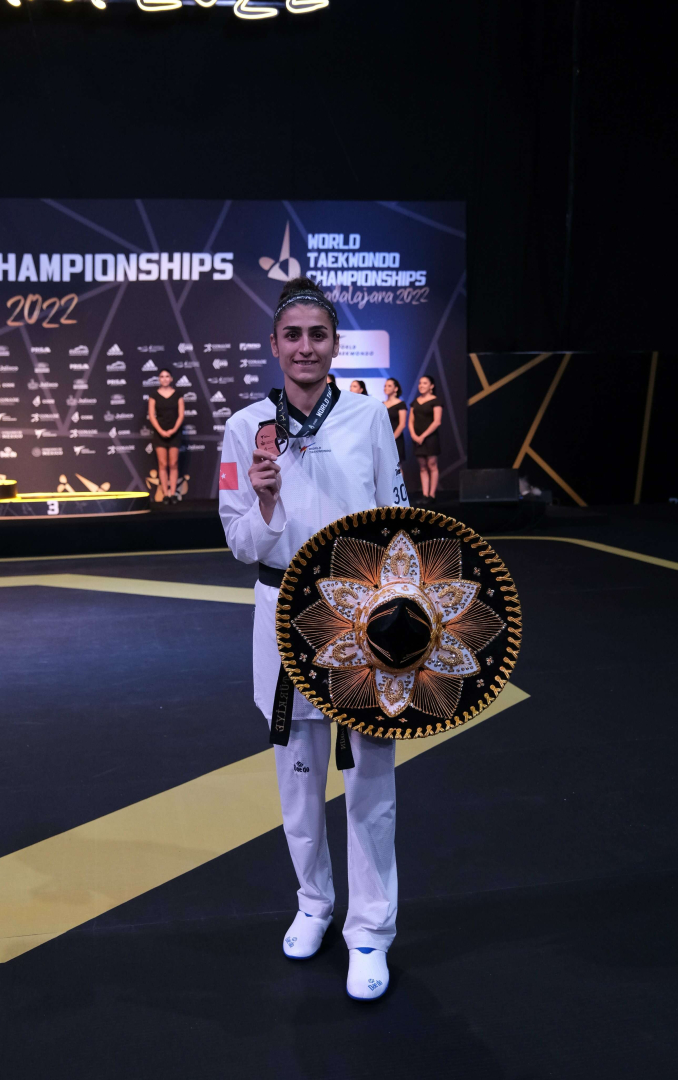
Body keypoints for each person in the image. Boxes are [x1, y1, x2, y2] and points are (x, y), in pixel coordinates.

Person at [219, 276, 408, 1001]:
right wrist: (266, 500)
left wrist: (403, 615)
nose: (305, 347)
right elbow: (239, 542)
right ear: (274, 345)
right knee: (297, 779)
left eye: (317, 335)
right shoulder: (246, 427)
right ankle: (314, 904)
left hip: (366, 620)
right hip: (280, 611)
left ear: (334, 345)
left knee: (370, 781)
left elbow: (397, 515)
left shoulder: (367, 418)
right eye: (292, 335)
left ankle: (371, 931)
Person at [147, 368, 185, 504]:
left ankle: (173, 493)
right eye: (162, 376)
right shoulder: (154, 395)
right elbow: (152, 415)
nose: (164, 379)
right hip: (159, 433)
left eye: (167, 376)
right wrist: (161, 431)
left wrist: (173, 430)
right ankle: (165, 494)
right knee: (162, 464)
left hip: (175, 432)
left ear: (171, 379)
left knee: (173, 463)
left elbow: (181, 415)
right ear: (159, 379)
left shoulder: (178, 394)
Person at [408, 374, 443, 504]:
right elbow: (410, 421)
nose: (421, 386)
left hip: (430, 438)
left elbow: (437, 422)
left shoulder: (436, 401)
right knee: (422, 466)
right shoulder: (415, 402)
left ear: (431, 386)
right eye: (420, 383)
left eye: (425, 383)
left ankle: (432, 495)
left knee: (432, 465)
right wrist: (413, 435)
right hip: (417, 438)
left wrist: (423, 436)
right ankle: (425, 494)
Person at [384, 377, 407, 471]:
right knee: (384, 467)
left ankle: (399, 482)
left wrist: (391, 438)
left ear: (396, 388)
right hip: (383, 440)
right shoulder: (381, 404)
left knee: (397, 467)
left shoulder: (401, 404)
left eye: (389, 386)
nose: (386, 388)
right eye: (385, 386)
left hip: (396, 440)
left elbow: (402, 424)